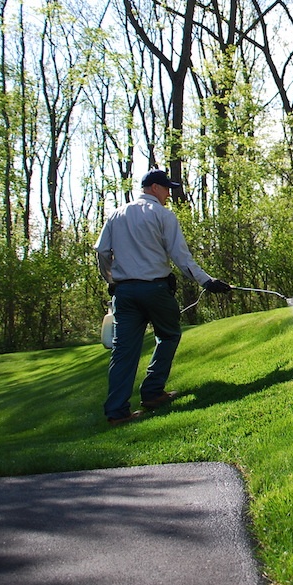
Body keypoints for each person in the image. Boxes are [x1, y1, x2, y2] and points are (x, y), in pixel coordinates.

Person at [94, 169, 233, 426]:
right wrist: (207, 281)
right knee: (169, 335)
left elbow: (102, 252)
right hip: (155, 289)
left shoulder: (115, 215)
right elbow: (181, 257)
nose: (169, 194)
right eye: (167, 188)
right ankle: (153, 392)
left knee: (123, 351)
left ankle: (117, 413)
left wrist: (111, 280)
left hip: (124, 292)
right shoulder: (163, 215)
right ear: (155, 188)